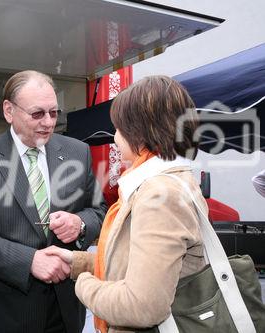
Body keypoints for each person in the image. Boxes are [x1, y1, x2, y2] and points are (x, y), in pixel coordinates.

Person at [48, 75, 208, 333]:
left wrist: (83, 284)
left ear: (141, 132)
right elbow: (133, 267)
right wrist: (75, 263)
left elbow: (142, 306)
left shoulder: (159, 194)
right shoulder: (166, 184)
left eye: (119, 128)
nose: (115, 138)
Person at [0, 70, 107, 333]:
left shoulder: (76, 152)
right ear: (9, 111)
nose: (48, 122)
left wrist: (80, 223)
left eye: (54, 113)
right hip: (5, 313)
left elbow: (100, 210)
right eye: (37, 114)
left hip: (66, 311)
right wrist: (29, 261)